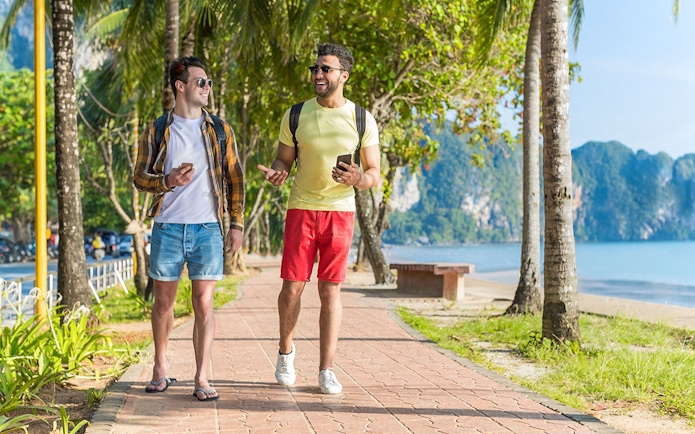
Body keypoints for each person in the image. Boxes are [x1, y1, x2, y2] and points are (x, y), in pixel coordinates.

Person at [257, 43, 381, 394]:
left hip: (340, 212)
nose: (318, 75)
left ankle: (326, 369)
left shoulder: (361, 118)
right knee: (292, 287)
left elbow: (374, 173)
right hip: (301, 208)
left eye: (326, 69)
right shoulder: (296, 114)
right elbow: (283, 159)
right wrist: (279, 172)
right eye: (316, 69)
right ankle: (285, 351)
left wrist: (358, 179)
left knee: (330, 291)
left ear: (344, 74)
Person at [133, 56, 245, 401]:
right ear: (180, 86)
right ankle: (161, 365)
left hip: (208, 229)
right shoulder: (156, 129)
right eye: (201, 82)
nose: (207, 88)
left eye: (209, 82)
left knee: (205, 304)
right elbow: (139, 178)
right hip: (167, 227)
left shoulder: (219, 130)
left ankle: (202, 375)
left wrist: (236, 223)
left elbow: (235, 179)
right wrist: (167, 180)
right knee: (163, 304)